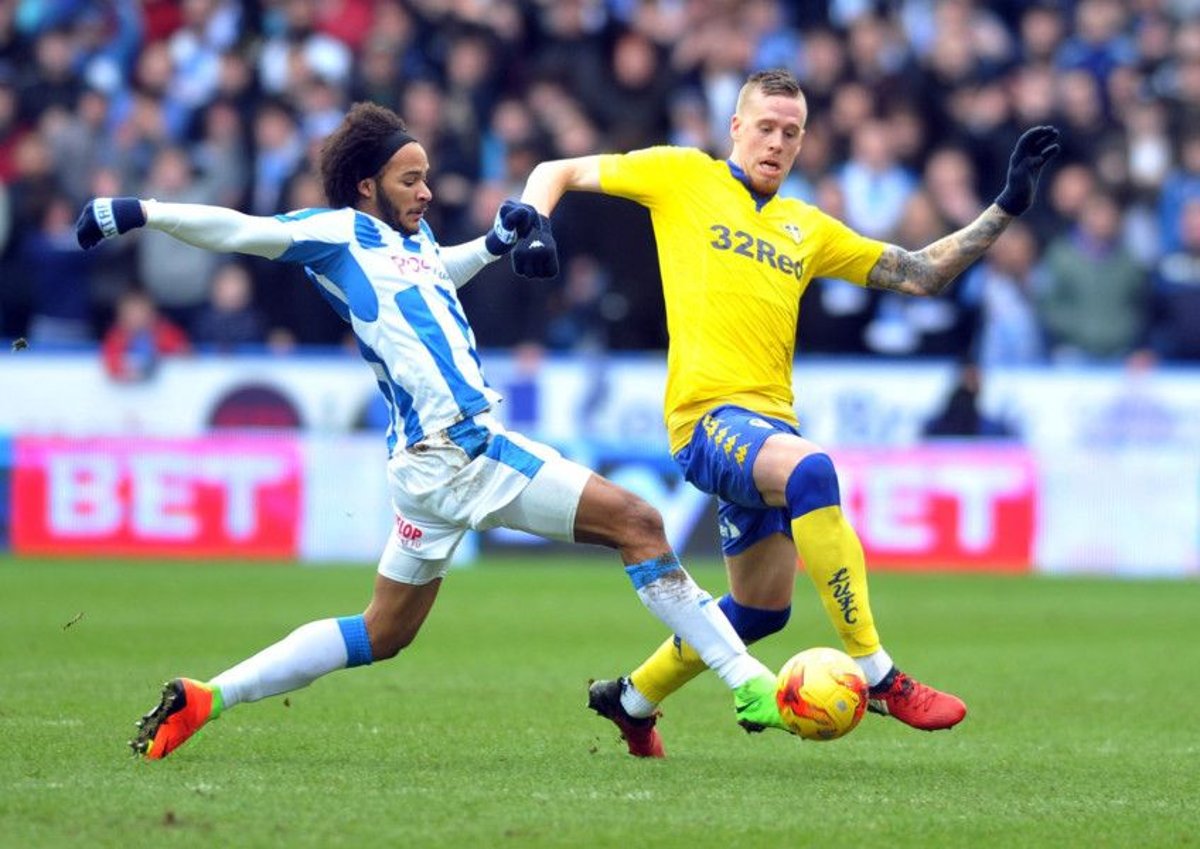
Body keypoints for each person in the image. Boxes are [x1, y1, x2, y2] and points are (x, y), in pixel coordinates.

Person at [74, 102, 782, 760]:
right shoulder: (335, 234)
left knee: (383, 631)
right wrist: (142, 210)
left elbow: (439, 273)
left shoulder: (410, 244)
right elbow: (241, 231)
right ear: (363, 187)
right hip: (461, 446)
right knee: (639, 521)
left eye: (426, 178)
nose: (426, 193)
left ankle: (209, 696)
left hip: (421, 470)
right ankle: (747, 678)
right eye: (409, 180)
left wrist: (496, 242)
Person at [514, 69, 1060, 756]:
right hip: (708, 418)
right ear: (734, 128)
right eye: (765, 127)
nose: (776, 142)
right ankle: (879, 673)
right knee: (813, 474)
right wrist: (528, 224)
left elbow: (921, 272)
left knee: (761, 609)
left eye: (791, 133)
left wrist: (1005, 206)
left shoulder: (808, 226)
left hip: (768, 426)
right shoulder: (683, 175)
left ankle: (631, 698)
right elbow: (554, 168)